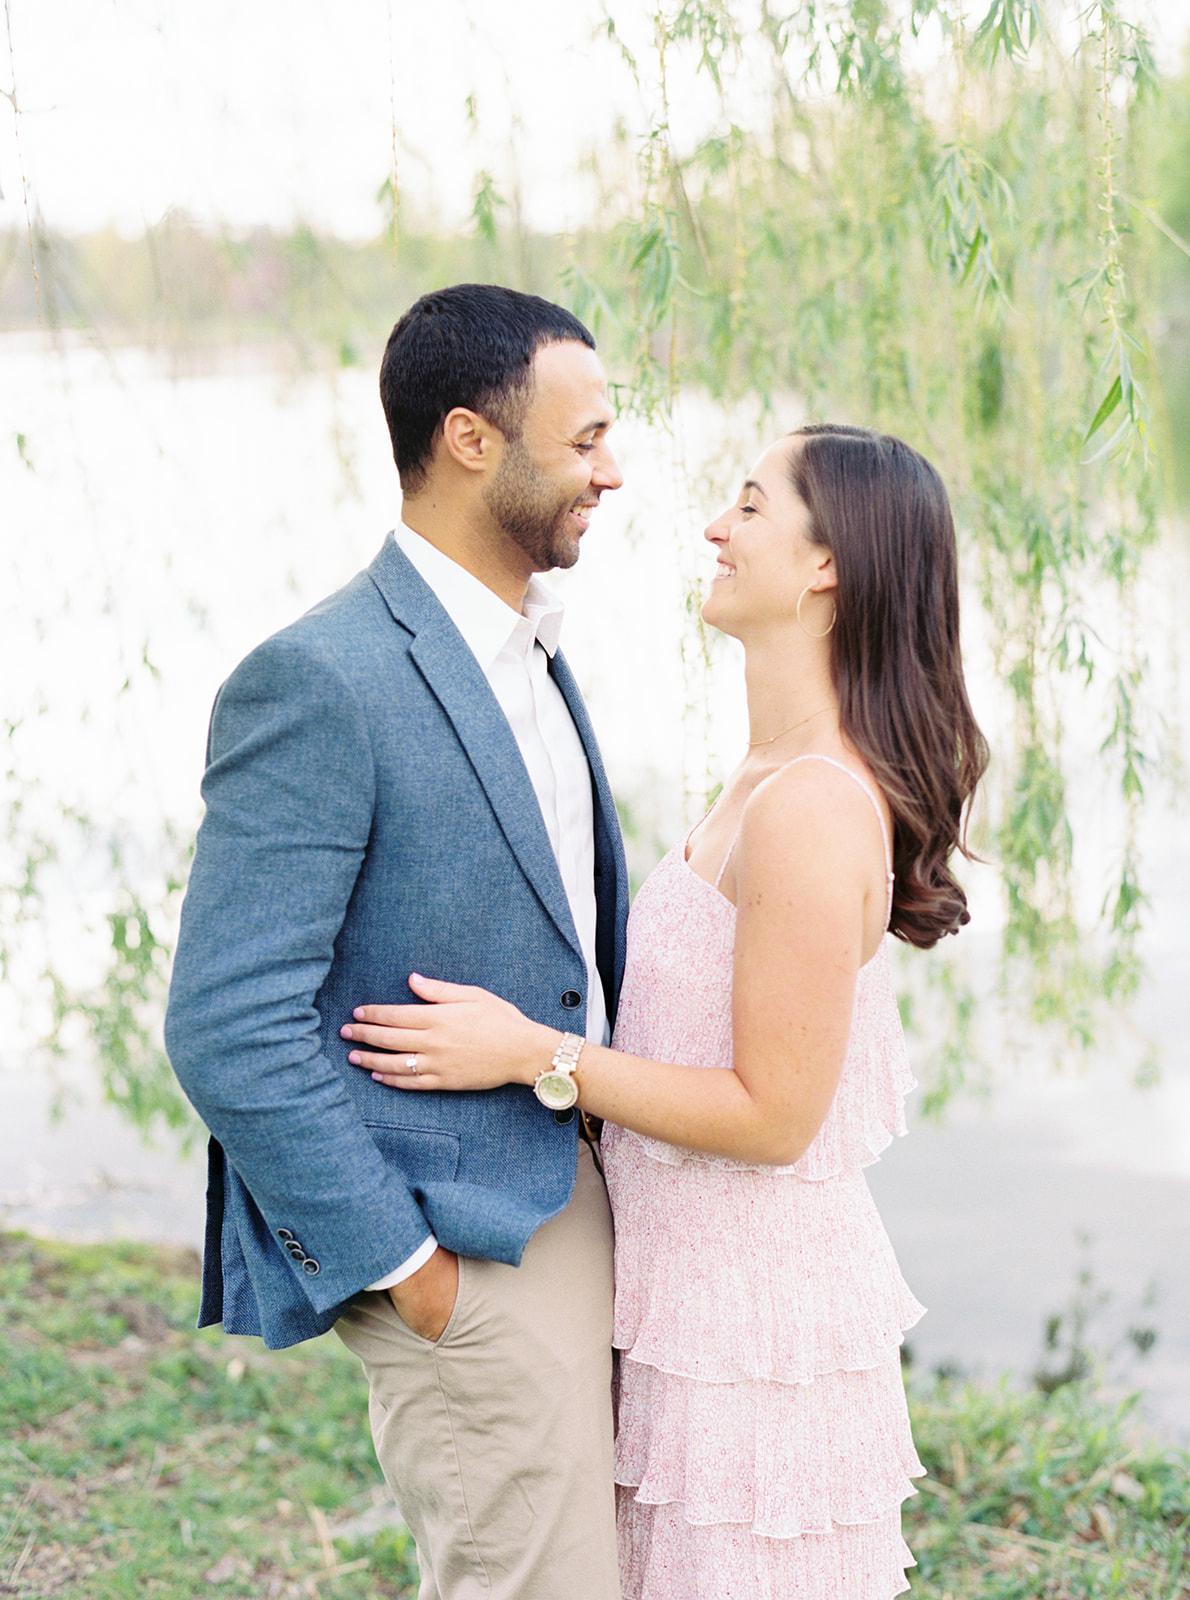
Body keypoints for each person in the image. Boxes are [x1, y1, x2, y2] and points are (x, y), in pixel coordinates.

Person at [341, 423, 989, 1599]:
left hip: (749, 1325)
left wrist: (533, 1054)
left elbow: (772, 1116)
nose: (712, 528)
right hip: (683, 1296)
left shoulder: (810, 805)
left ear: (826, 564)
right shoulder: (762, 777)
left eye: (749, 505)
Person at [164, 283, 629, 1600]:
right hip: (463, 1252)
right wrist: (405, 1268)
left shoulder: (526, 651)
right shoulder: (322, 678)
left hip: (576, 1193)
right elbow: (226, 1022)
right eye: (585, 439)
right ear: (472, 439)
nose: (611, 472)